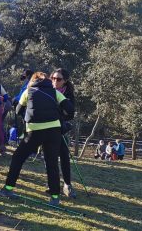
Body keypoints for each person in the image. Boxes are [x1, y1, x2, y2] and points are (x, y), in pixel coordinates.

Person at [0, 72, 74, 206]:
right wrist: (58, 115)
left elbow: (18, 109)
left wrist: (28, 116)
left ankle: (8, 189)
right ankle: (55, 198)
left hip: (34, 131)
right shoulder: (54, 92)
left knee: (18, 158)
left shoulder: (28, 91)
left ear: (33, 80)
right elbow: (70, 109)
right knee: (52, 163)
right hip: (54, 131)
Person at [50, 68, 77, 198]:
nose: (55, 81)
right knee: (50, 157)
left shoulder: (68, 94)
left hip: (60, 128)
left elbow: (70, 114)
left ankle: (67, 184)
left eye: (58, 79)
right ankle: (52, 184)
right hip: (47, 127)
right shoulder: (47, 90)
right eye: (53, 78)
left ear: (65, 81)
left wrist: (60, 118)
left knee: (64, 156)